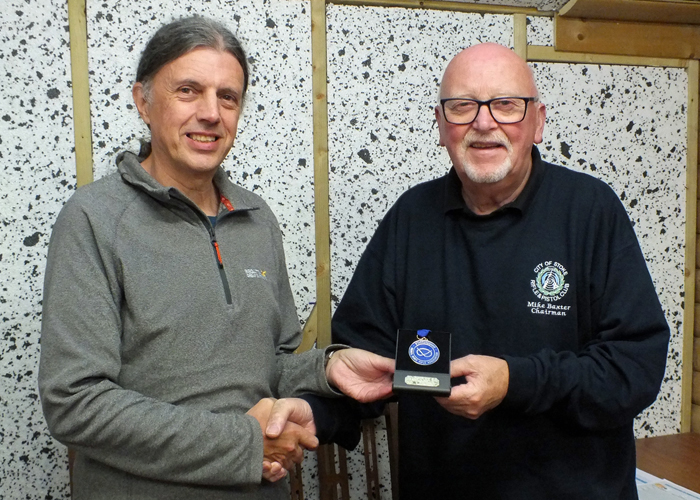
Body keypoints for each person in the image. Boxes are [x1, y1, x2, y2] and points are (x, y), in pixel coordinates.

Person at [38, 16, 393, 500]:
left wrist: (326, 371)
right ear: (143, 100)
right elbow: (75, 403)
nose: (211, 113)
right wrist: (241, 443)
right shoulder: (94, 219)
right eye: (188, 90)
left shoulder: (256, 218)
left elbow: (270, 365)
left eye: (228, 97)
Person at [306, 43, 670, 499]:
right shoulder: (411, 218)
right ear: (441, 126)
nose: (483, 123)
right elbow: (363, 360)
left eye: (505, 105)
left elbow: (634, 369)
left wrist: (516, 382)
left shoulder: (590, 210)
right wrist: (313, 413)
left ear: (537, 122)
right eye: (462, 106)